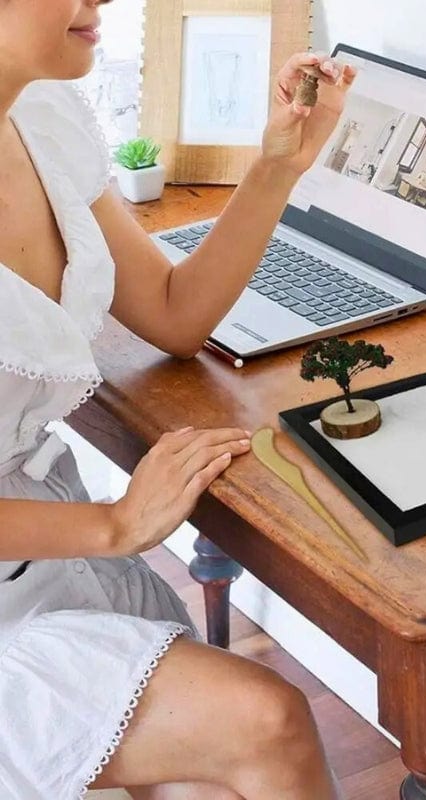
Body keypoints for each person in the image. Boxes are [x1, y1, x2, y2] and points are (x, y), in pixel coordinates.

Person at [0, 1, 356, 798]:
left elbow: (172, 310)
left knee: (210, 781)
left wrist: (276, 168)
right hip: (40, 565)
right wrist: (117, 522)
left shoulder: (42, 113)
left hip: (48, 552)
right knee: (265, 722)